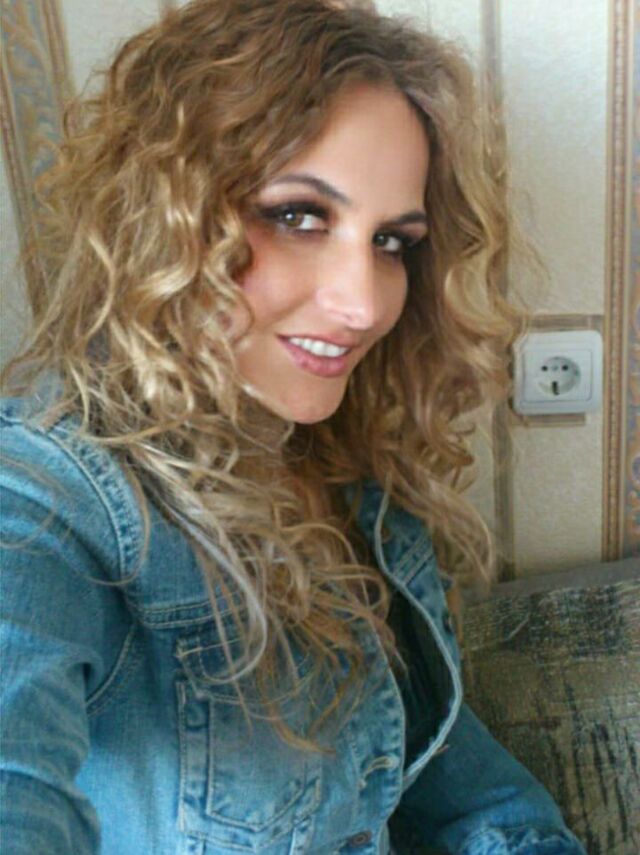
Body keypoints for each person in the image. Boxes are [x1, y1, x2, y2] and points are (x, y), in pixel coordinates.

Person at [0, 1, 587, 852]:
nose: (362, 303)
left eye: (392, 241)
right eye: (298, 215)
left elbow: (460, 787)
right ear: (163, 218)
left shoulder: (350, 469)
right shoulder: (47, 502)